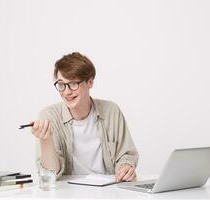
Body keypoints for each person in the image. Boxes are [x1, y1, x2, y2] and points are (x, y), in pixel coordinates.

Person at [31, 52, 138, 182]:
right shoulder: (48, 116)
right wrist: (45, 140)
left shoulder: (111, 111)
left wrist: (125, 168)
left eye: (73, 84)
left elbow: (126, 155)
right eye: (61, 84)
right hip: (68, 192)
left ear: (90, 82)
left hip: (108, 191)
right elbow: (50, 174)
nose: (67, 92)